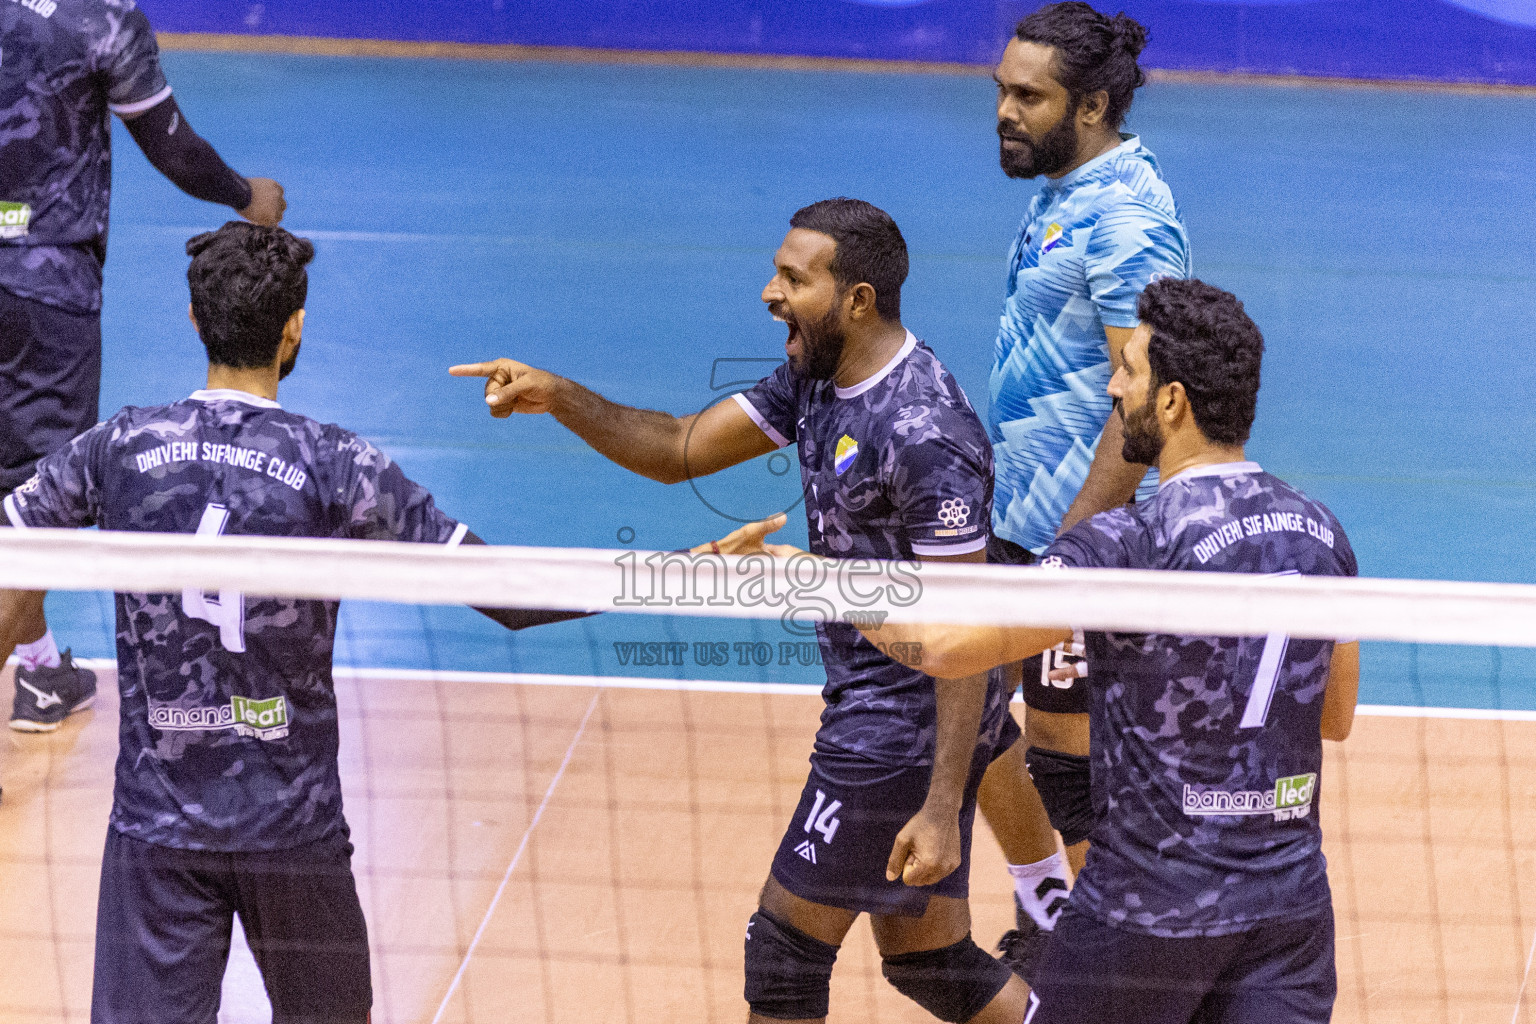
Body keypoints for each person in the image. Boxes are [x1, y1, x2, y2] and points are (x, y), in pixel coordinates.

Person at [451, 199, 1033, 1023]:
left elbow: (971, 633)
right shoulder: (817, 376)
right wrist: (561, 396)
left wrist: (941, 804)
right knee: (933, 964)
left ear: (857, 299)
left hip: (900, 726)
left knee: (786, 956)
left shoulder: (925, 431)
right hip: (881, 708)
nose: (769, 292)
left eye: (794, 279)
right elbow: (677, 447)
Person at [0, 222, 584, 1023]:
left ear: (196, 320)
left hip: (156, 831)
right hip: (293, 833)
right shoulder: (336, 463)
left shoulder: (119, 447)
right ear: (293, 327)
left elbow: (7, 561)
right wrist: (663, 575)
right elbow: (511, 598)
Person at [806, 276, 1355, 1023]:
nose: (1113, 383)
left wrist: (816, 580)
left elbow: (944, 649)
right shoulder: (1320, 532)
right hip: (1288, 914)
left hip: (1145, 916)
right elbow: (1334, 714)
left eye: (1129, 368)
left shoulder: (1125, 544)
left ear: (1173, 401)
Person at [974, 0, 1194, 962]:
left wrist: (1075, 550)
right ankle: (1052, 908)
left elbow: (1143, 406)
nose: (1005, 112)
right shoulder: (1065, 190)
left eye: (1030, 96)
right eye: (1002, 91)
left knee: (1075, 774)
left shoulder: (1129, 219)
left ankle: (1107, 965)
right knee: (976, 720)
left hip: (1082, 536)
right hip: (1020, 522)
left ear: (1094, 104)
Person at [0, 0, 286, 733]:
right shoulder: (100, 15)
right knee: (41, 504)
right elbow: (171, 145)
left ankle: (37, 667)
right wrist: (245, 197)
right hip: (42, 286)